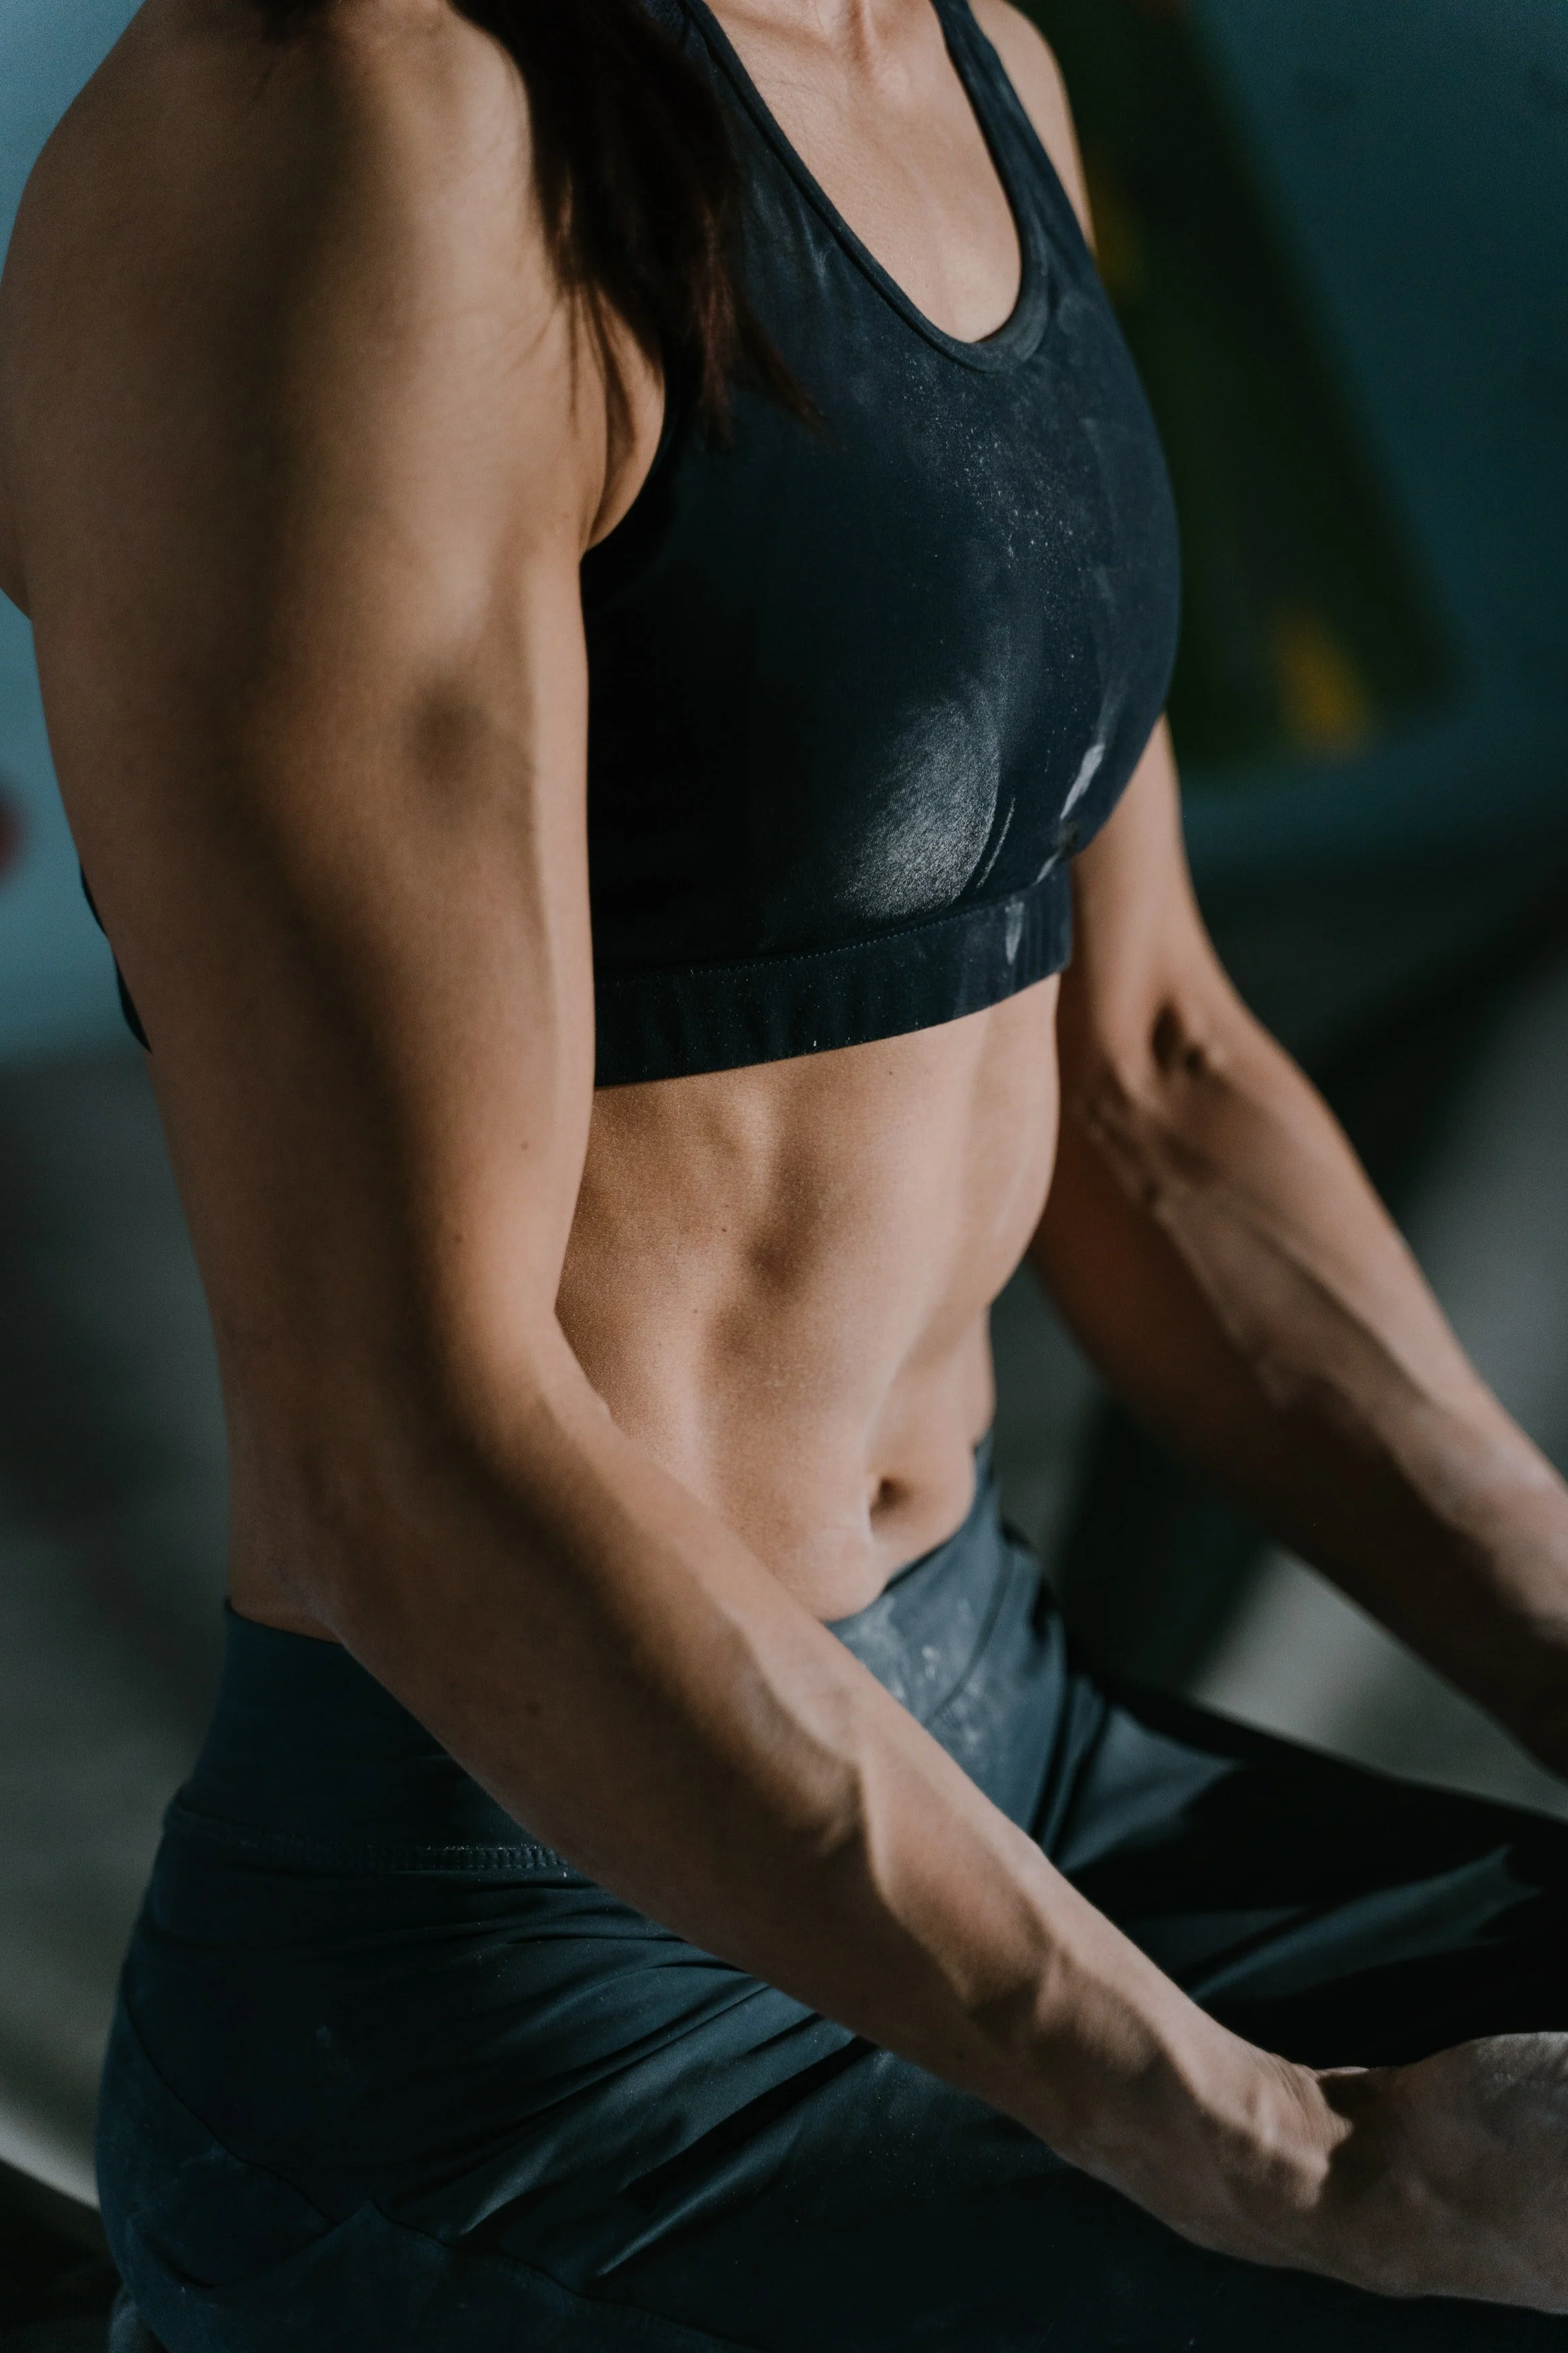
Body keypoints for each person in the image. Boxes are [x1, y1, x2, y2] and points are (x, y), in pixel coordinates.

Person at [2, 0, 1567, 2343]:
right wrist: (1293, 2156)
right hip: (533, 2013)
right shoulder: (339, 121)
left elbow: (1153, 1073)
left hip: (1034, 1772)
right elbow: (398, 1441)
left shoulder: (974, 72)